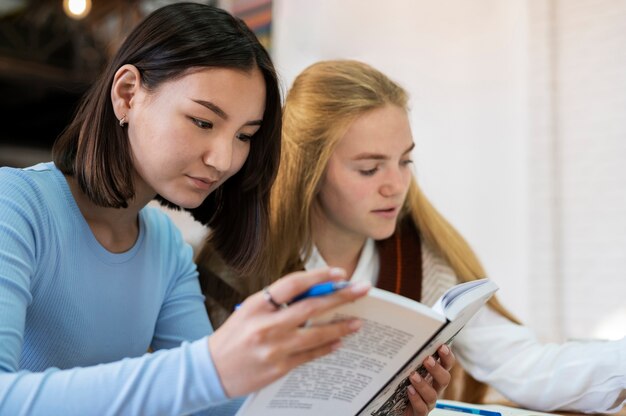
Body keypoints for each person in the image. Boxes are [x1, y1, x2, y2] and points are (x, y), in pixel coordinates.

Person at [0, 5, 373, 415]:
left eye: (245, 136)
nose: (224, 159)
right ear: (127, 95)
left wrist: (371, 402)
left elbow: (215, 407)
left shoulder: (165, 248)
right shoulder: (14, 205)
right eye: (202, 122)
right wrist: (209, 367)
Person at [199, 59, 626, 414]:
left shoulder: (417, 255)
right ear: (307, 170)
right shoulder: (237, 262)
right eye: (369, 168)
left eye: (404, 161)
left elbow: (523, 365)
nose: (395, 185)